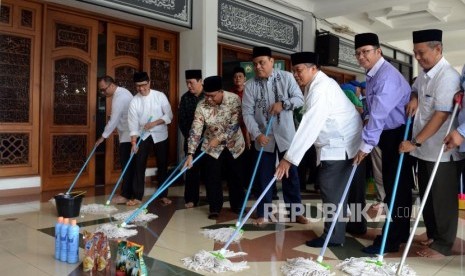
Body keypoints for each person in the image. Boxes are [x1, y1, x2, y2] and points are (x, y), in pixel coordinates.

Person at [275, 52, 362, 247]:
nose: (296, 75)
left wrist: (289, 158)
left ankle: (333, 236)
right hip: (346, 142)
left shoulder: (320, 89)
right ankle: (355, 227)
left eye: (299, 70)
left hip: (340, 145)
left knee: (331, 189)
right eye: (294, 71)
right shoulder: (316, 85)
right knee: (344, 191)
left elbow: (310, 124)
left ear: (313, 68)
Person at [401, 29, 463, 258]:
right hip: (423, 150)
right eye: (415, 53)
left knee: (442, 199)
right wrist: (415, 97)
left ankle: (444, 244)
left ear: (438, 49)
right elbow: (416, 88)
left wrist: (414, 142)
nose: (417, 57)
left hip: (441, 151)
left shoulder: (447, 76)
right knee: (427, 196)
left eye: (421, 53)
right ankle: (433, 234)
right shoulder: (425, 74)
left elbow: (441, 115)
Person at [352, 33, 413, 254]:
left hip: (398, 135)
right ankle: (399, 232)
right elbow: (372, 110)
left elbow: (378, 114)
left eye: (366, 51)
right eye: (358, 53)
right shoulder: (372, 74)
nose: (361, 56)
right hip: (388, 134)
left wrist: (365, 146)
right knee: (394, 187)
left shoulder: (386, 76)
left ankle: (391, 239)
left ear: (378, 52)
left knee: (396, 188)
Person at [242, 46, 307, 226]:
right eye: (255, 64)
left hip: (286, 135)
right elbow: (246, 113)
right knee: (263, 176)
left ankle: (295, 212)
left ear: (272, 62)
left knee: (291, 175)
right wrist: (257, 134)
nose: (258, 67)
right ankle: (263, 213)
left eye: (262, 63)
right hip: (265, 137)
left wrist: (283, 104)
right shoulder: (250, 85)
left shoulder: (286, 77)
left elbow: (299, 99)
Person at [183, 75, 245, 219]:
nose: (209, 99)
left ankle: (238, 205)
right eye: (206, 96)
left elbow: (234, 125)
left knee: (235, 175)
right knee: (212, 176)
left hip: (234, 144)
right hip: (211, 145)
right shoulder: (201, 105)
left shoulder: (234, 99)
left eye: (212, 96)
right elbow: (196, 130)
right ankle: (215, 207)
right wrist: (190, 153)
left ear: (221, 91)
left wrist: (219, 138)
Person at [128, 72, 173, 206]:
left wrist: (154, 123)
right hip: (143, 135)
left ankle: (163, 195)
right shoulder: (134, 101)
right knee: (139, 164)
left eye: (143, 85)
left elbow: (169, 115)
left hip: (160, 134)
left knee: (162, 164)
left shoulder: (160, 96)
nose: (141, 89)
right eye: (138, 86)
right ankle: (137, 196)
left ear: (149, 83)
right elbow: (133, 123)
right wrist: (134, 142)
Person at [96, 76, 134, 204]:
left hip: (129, 135)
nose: (103, 93)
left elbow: (114, 120)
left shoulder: (120, 97)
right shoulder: (121, 93)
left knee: (127, 165)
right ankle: (127, 192)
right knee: (127, 164)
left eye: (104, 90)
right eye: (101, 91)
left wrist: (102, 137)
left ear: (111, 85)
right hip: (126, 133)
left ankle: (125, 195)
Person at [178, 69, 205, 208]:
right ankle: (191, 199)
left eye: (191, 82)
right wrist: (190, 136)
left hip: (208, 141)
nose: (189, 86)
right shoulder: (185, 98)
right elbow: (181, 120)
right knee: (191, 170)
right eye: (187, 82)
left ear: (200, 81)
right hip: (191, 140)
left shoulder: (208, 96)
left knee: (210, 170)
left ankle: (213, 200)